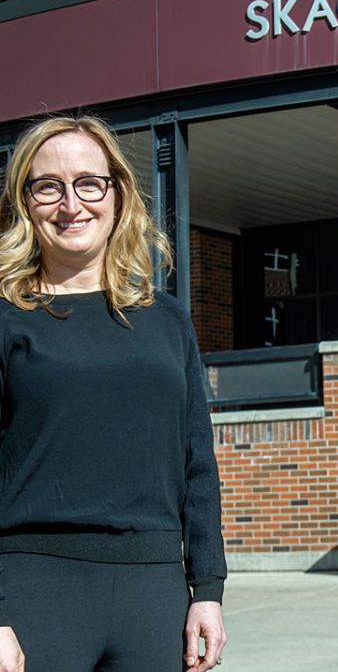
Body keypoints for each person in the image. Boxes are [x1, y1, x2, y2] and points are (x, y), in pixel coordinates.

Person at [0, 116, 227, 672]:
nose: (70, 204)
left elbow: (198, 463)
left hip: (155, 591)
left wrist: (208, 589)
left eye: (88, 183)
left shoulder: (168, 320)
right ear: (25, 203)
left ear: (117, 194)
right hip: (33, 589)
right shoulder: (6, 320)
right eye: (47, 185)